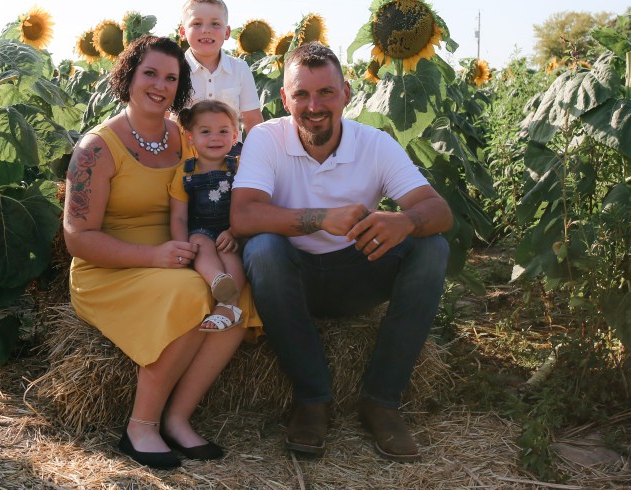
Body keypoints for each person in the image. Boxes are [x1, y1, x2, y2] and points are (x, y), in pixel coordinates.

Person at [230, 43, 453, 461]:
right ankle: (313, 400)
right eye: (301, 94)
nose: (314, 106)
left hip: (357, 275)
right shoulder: (266, 138)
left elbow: (439, 211)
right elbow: (243, 216)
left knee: (431, 247)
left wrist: (405, 221)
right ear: (285, 99)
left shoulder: (375, 144)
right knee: (262, 248)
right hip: (291, 280)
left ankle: (382, 402)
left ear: (346, 93)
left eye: (326, 92)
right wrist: (320, 218)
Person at [63, 35, 259, 470]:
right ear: (127, 76)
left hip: (182, 253)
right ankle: (141, 425)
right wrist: (152, 257)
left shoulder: (185, 136)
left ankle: (178, 418)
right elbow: (78, 238)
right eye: (149, 73)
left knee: (238, 297)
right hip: (111, 267)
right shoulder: (97, 148)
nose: (160, 85)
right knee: (191, 293)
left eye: (171, 78)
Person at [169, 100, 246, 333]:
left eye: (223, 131)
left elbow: (247, 205)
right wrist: (182, 248)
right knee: (199, 244)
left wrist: (234, 231)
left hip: (230, 230)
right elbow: (179, 216)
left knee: (228, 252)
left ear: (234, 136)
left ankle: (229, 304)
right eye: (205, 132)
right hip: (200, 230)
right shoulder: (185, 172)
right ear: (190, 137)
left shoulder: (239, 167)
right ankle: (218, 280)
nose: (215, 138)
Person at [179, 0, 263, 142]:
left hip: (231, 153)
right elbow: (164, 118)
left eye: (215, 24)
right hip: (184, 151)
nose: (206, 30)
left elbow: (253, 121)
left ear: (227, 32)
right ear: (183, 32)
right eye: (197, 24)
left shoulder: (240, 69)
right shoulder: (175, 69)